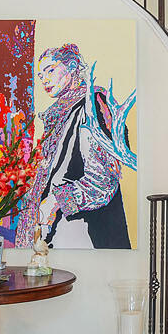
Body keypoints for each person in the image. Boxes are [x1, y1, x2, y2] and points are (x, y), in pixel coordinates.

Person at [18, 43, 134, 248]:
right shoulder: (60, 114)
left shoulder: (92, 104)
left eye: (50, 70)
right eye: (40, 75)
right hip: (55, 240)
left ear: (72, 67)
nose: (44, 79)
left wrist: (55, 202)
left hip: (84, 238)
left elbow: (102, 181)